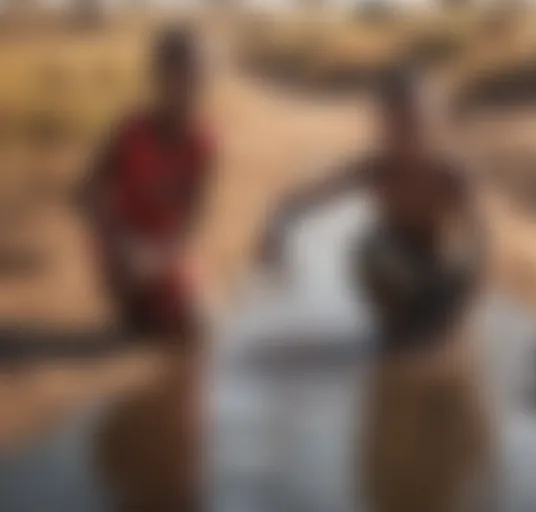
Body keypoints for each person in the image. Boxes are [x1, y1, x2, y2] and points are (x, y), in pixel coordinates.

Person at [257, 67, 484, 351]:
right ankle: (399, 325)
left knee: (456, 285)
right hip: (397, 272)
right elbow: (305, 199)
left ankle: (438, 329)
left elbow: (480, 242)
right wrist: (276, 228)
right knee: (369, 250)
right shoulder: (377, 170)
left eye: (415, 121)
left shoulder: (451, 176)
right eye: (396, 122)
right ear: (381, 125)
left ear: (436, 123)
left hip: (443, 277)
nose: (406, 133)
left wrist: (463, 303)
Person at [82, 24, 215, 342]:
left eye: (196, 78)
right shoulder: (130, 132)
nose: (187, 88)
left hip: (163, 254)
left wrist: (162, 256)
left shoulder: (204, 144)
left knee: (199, 326)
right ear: (157, 77)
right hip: (123, 249)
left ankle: (153, 301)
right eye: (178, 76)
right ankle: (130, 301)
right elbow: (86, 190)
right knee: (143, 318)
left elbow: (194, 218)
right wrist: (118, 239)